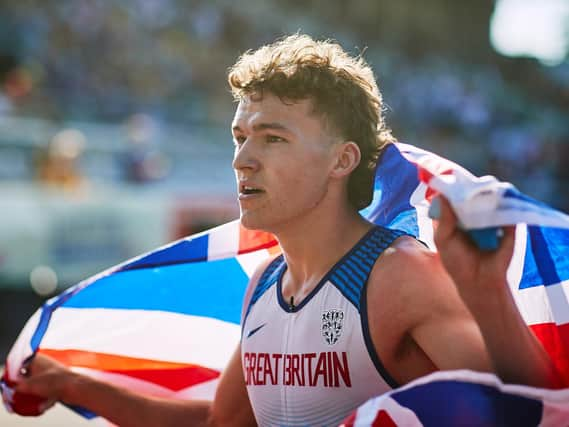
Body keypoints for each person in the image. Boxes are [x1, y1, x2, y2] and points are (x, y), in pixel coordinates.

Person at [13, 34, 558, 426]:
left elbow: (537, 414)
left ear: (342, 161)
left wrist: (486, 293)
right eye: (239, 136)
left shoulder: (399, 277)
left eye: (273, 138)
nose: (242, 160)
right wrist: (73, 384)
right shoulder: (266, 285)